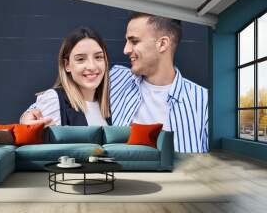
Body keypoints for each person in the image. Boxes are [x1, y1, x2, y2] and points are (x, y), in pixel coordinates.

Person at [22, 13, 208, 153]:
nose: (126, 50)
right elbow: (61, 98)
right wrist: (28, 115)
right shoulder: (117, 78)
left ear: (162, 44)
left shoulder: (203, 101)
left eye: (133, 41)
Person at [22, 26, 111, 126]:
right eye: (81, 59)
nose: (91, 66)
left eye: (98, 57)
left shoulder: (110, 105)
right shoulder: (55, 100)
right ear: (67, 65)